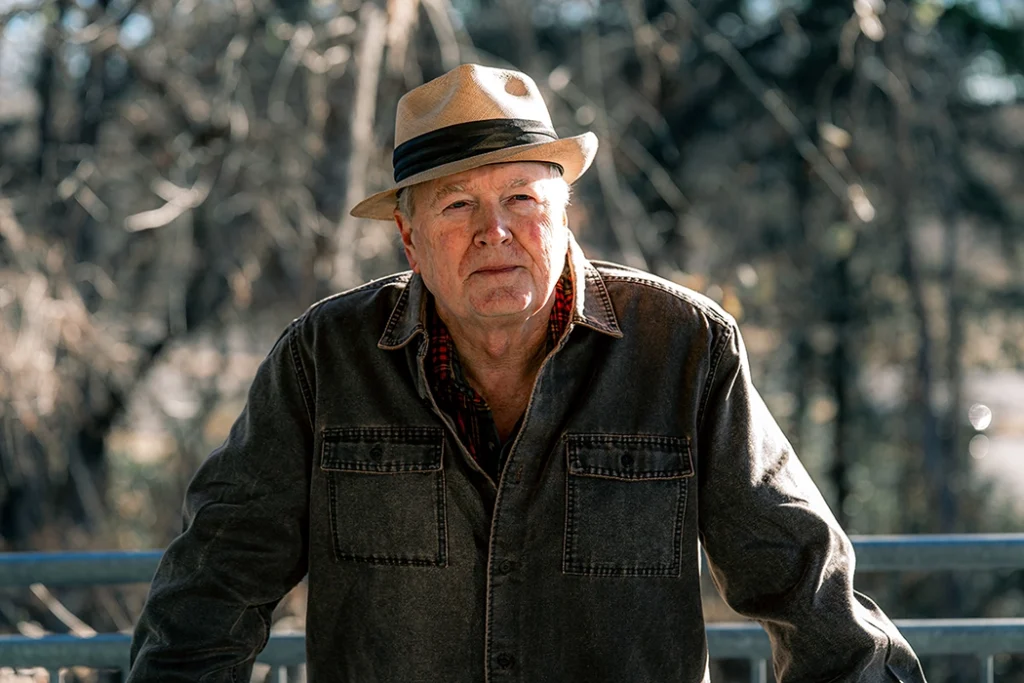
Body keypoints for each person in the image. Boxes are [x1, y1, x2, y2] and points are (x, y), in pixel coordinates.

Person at [128, 63, 926, 682]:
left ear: (563, 213)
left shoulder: (685, 349)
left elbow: (810, 592)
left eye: (521, 198)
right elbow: (211, 592)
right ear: (410, 240)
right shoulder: (323, 359)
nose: (495, 231)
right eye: (456, 205)